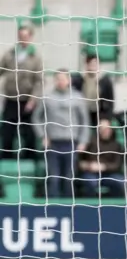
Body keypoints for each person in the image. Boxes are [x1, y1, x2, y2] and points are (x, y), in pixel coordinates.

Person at [32, 70, 89, 198]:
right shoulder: (47, 97)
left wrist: (83, 141)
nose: (61, 81)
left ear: (69, 80)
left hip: (71, 143)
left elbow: (84, 121)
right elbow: (36, 118)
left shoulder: (77, 97)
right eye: (58, 79)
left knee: (69, 178)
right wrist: (42, 135)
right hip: (53, 143)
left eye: (63, 79)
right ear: (54, 80)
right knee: (54, 178)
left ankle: (69, 209)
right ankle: (53, 208)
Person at [0, 25, 42, 160]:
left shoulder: (35, 57)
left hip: (26, 100)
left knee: (28, 132)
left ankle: (29, 159)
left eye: (25, 36)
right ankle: (6, 158)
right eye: (20, 36)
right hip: (11, 99)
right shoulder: (10, 54)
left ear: (30, 37)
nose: (22, 39)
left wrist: (33, 99)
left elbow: (39, 81)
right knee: (7, 131)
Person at [78, 119, 125, 198]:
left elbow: (117, 164)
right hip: (91, 173)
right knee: (91, 182)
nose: (105, 131)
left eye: (107, 129)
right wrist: (86, 165)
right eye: (102, 129)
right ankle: (90, 206)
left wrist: (103, 167)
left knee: (119, 181)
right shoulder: (89, 143)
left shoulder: (116, 145)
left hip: (109, 174)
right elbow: (80, 160)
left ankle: (115, 206)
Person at [71, 54, 115, 127]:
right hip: (82, 112)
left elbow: (110, 101)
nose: (93, 67)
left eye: (95, 64)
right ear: (86, 65)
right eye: (91, 64)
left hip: (100, 113)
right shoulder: (79, 79)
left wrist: (106, 118)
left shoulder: (105, 80)